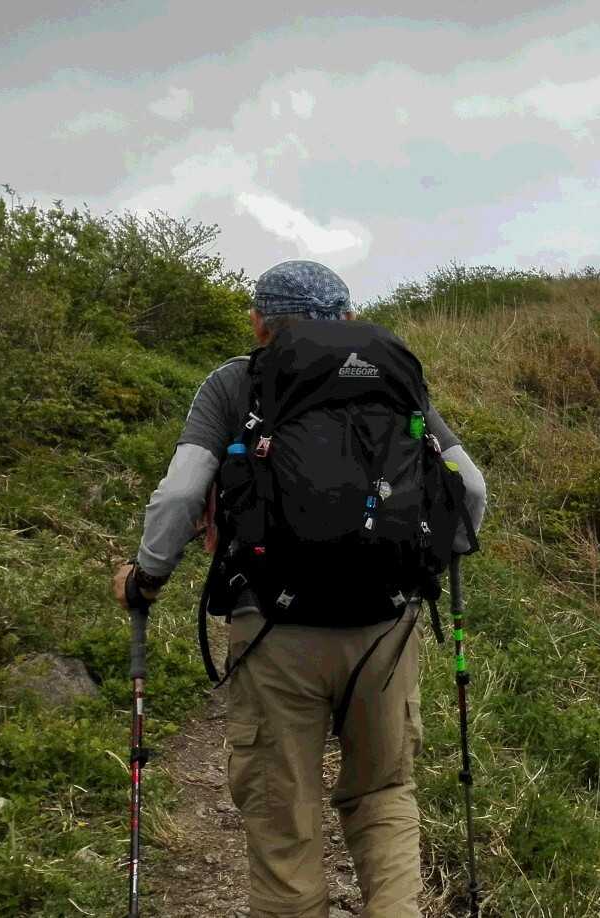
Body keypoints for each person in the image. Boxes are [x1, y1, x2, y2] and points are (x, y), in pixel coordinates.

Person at [111, 260, 488, 918]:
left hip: (273, 628)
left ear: (259, 323)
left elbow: (178, 495)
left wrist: (146, 578)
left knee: (284, 814)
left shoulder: (237, 382)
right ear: (349, 317)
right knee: (383, 793)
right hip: (386, 627)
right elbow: (471, 488)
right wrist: (434, 556)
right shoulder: (392, 377)